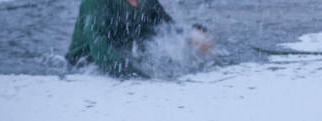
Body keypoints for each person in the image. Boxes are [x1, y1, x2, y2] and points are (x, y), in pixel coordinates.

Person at [66, 0, 213, 77]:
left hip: (126, 56)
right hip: (86, 67)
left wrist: (191, 35)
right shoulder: (95, 3)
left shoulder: (147, 2)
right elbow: (99, 50)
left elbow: (167, 28)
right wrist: (140, 76)